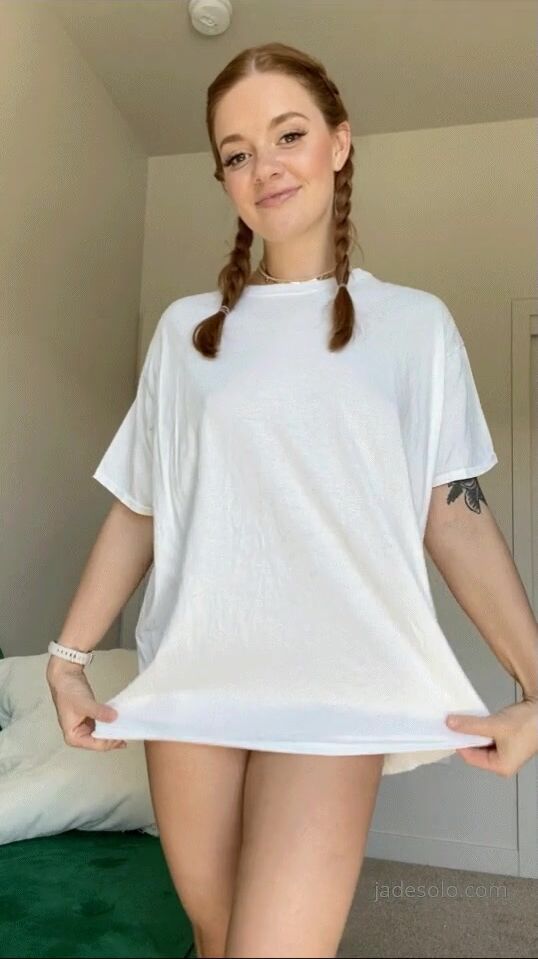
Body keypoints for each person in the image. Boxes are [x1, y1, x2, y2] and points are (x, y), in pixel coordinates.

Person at [46, 42, 538, 959]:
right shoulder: (187, 334)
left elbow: (455, 513)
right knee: (217, 934)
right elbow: (143, 505)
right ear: (224, 179)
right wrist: (68, 659)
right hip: (195, 677)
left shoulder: (416, 326)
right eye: (237, 152)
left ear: (339, 143)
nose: (264, 166)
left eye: (288, 135)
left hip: (335, 684)